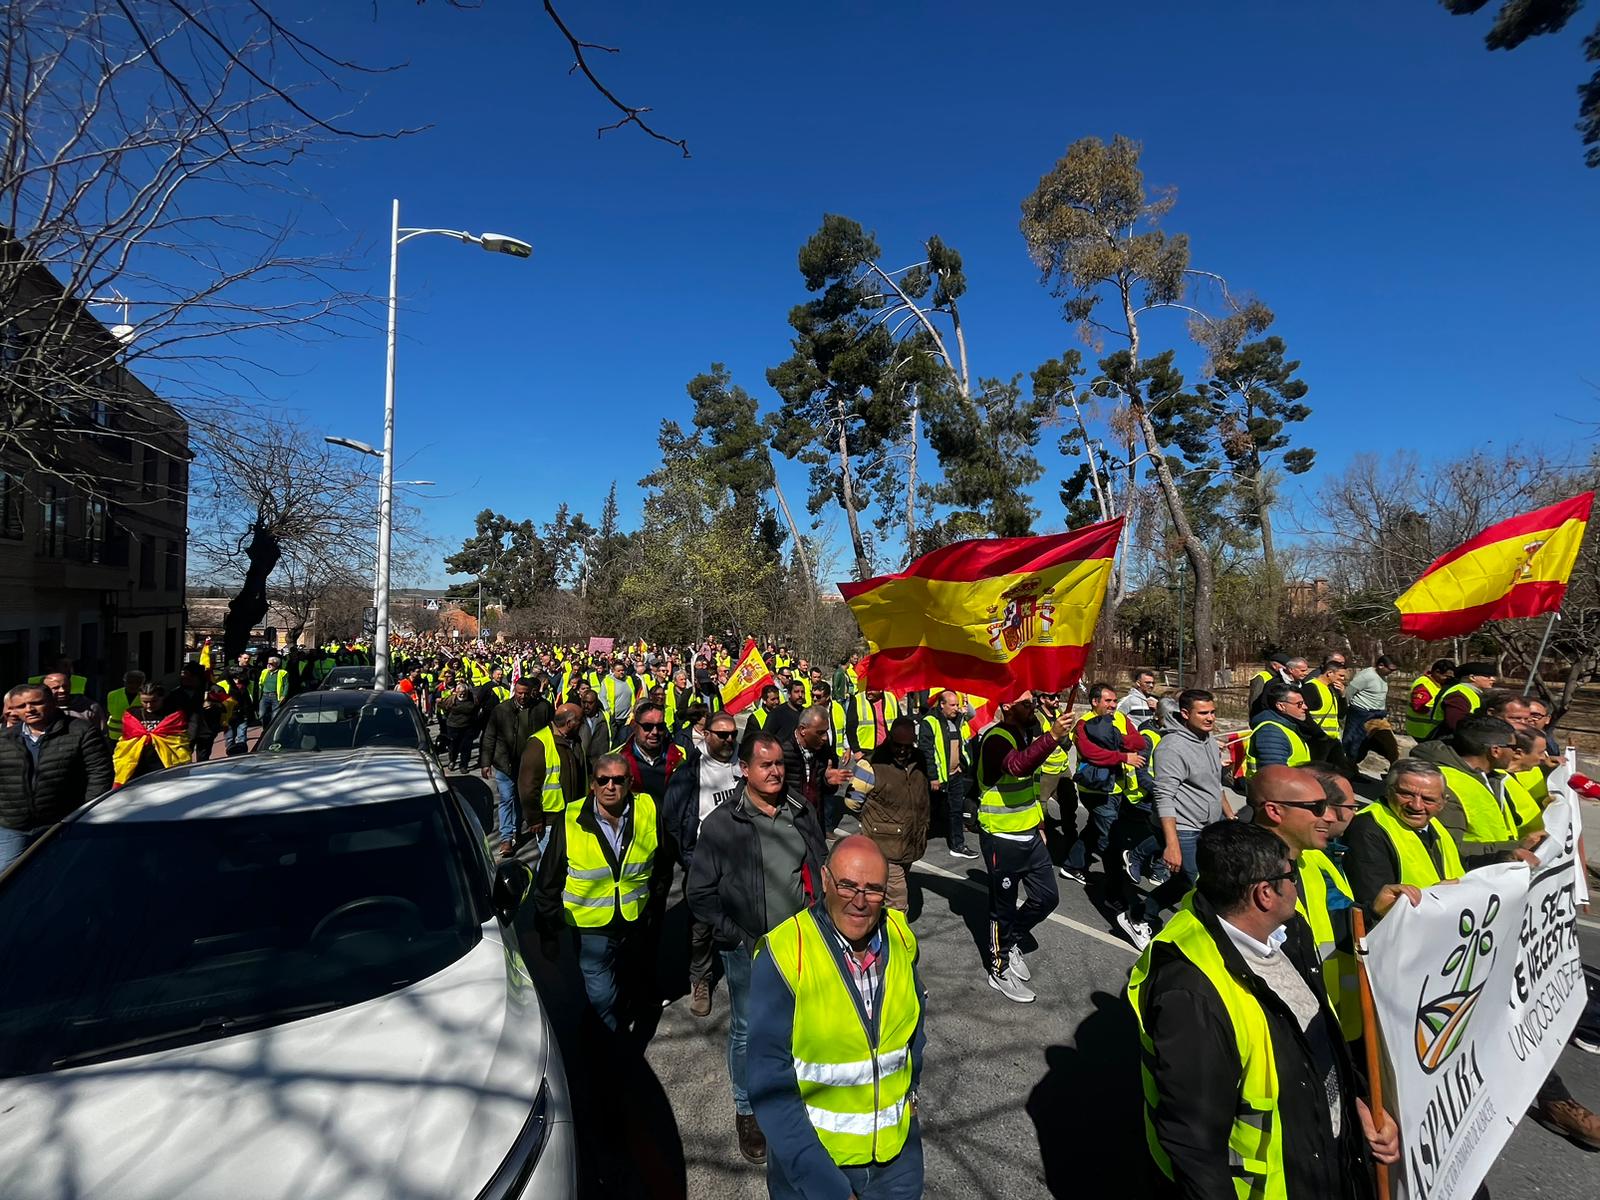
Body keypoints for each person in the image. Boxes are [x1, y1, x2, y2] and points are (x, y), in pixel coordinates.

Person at [1127, 821, 1399, 1200]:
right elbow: (1192, 1140)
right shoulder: (1193, 994)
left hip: (1325, 1156)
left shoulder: (1287, 934)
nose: (1297, 883)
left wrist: (1358, 1109)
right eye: (1291, 874)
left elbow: (1315, 1049)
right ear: (1266, 894)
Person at [748, 836, 926, 1200]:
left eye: (873, 890)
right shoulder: (785, 951)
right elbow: (769, 1081)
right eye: (848, 885)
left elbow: (914, 1033)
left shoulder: (900, 936)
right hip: (815, 1169)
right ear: (826, 880)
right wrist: (825, 1185)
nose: (860, 902)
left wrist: (909, 1101)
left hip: (897, 1163)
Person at [687, 732, 828, 1166]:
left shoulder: (801, 811)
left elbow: (820, 865)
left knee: (799, 1023)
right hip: (749, 947)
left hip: (802, 944)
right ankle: (748, 1110)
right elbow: (700, 893)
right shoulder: (722, 823)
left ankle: (794, 1095)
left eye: (780, 764)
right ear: (744, 770)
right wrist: (737, 935)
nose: (775, 771)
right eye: (764, 765)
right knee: (748, 1029)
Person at [533, 753, 672, 1036]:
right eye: (603, 780)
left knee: (626, 984)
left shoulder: (648, 809)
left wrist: (651, 907)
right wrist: (548, 929)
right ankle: (609, 1056)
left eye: (619, 780)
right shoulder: (570, 819)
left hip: (634, 921)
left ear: (630, 783)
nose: (611, 786)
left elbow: (663, 863)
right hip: (590, 929)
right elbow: (548, 880)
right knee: (602, 998)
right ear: (592, 785)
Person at [974, 692, 1073, 1003]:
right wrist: (1053, 736)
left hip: (1029, 834)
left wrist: (1041, 826)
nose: (1033, 708)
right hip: (1001, 838)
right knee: (1000, 909)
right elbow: (1016, 767)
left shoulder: (1026, 733)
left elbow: (1031, 787)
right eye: (1026, 704)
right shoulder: (996, 738)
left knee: (1047, 898)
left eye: (1033, 702)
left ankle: (1012, 939)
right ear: (1007, 706)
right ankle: (999, 967)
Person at [1117, 689, 1232, 952]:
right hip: (1183, 826)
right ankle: (1138, 916)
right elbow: (1164, 794)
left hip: (1207, 825)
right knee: (1191, 879)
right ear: (1185, 714)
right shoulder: (1172, 747)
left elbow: (1214, 785)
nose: (1210, 718)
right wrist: (1171, 843)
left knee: (1194, 879)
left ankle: (1158, 916)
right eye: (1203, 713)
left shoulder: (1208, 741)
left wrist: (1229, 814)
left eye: (1212, 712)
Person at [663, 709, 744, 1018]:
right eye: (721, 734)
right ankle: (701, 979)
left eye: (733, 734)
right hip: (703, 863)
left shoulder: (746, 764)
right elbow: (673, 819)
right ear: (706, 735)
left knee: (745, 920)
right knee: (702, 928)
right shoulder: (689, 772)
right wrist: (689, 858)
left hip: (742, 861)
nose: (728, 739)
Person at [0, 683, 114, 868]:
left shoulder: (80, 731)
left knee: (59, 875)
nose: (29, 709)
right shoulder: (5, 738)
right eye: (21, 706)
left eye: (36, 703)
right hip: (13, 825)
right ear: (13, 710)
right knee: (9, 881)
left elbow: (100, 773)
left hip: (61, 822)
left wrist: (84, 812)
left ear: (52, 703)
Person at [1411, 714, 1544, 868]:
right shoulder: (1444, 785)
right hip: (1464, 879)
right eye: (1513, 747)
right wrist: (1516, 846)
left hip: (1491, 869)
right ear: (1495, 751)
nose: (1515, 753)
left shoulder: (1492, 777)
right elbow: (1448, 847)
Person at [1342, 759, 1463, 923]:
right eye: (1406, 794)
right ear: (1388, 791)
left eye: (1428, 799)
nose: (1416, 805)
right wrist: (1435, 896)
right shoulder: (1367, 829)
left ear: (1443, 802)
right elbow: (1375, 901)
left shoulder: (1432, 824)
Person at [1061, 681, 1146, 886]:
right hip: (1094, 789)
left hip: (1117, 788)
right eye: (1108, 701)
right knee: (1111, 838)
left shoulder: (1120, 719)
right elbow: (1092, 754)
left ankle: (1072, 865)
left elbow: (1139, 742)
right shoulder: (1084, 724)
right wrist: (1123, 757)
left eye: (1115, 700)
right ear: (1094, 701)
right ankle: (1115, 889)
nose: (1113, 705)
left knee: (1093, 829)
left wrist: (1116, 739)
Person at [851, 717, 931, 913]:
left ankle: (875, 925)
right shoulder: (870, 764)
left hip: (911, 840)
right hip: (884, 844)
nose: (903, 751)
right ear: (889, 739)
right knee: (898, 902)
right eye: (898, 745)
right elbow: (852, 801)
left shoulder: (919, 759)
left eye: (908, 745)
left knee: (884, 891)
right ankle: (897, 940)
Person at [479, 678, 554, 856]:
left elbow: (552, 732)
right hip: (505, 764)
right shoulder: (501, 710)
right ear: (514, 691)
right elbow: (489, 736)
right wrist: (485, 761)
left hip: (530, 765)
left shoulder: (542, 708)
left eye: (526, 694)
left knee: (522, 799)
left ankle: (516, 830)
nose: (522, 696)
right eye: (519, 693)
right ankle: (506, 838)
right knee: (506, 798)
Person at [516, 702, 586, 856]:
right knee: (550, 866)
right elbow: (527, 787)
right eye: (580, 720)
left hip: (572, 815)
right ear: (569, 723)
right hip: (549, 821)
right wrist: (534, 819)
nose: (583, 724)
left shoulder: (573, 740)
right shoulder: (539, 744)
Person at [919, 689, 977, 859]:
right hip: (938, 778)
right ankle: (916, 839)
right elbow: (926, 752)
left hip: (955, 774)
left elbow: (971, 714)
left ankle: (958, 845)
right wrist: (933, 777)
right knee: (928, 810)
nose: (955, 708)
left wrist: (965, 702)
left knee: (956, 810)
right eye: (952, 705)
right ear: (941, 704)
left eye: (957, 705)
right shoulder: (930, 721)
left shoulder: (958, 720)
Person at [784, 705, 851, 832]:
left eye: (826, 731)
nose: (825, 737)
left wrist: (827, 781)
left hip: (815, 824)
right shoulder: (783, 753)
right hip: (790, 826)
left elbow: (823, 790)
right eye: (820, 733)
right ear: (803, 730)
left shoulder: (824, 751)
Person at [1245, 682, 1314, 774]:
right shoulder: (1271, 732)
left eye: (1304, 702)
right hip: (1279, 787)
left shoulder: (1287, 726)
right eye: (1299, 704)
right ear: (1281, 706)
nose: (1305, 707)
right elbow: (1274, 774)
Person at [1427, 661, 1495, 739]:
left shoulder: (1471, 692)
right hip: (1451, 743)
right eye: (1488, 676)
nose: (1493, 679)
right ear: (1472, 677)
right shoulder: (1458, 696)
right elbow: (1456, 724)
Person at [1403, 657, 1456, 743]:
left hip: (1429, 729)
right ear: (1437, 672)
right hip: (1423, 730)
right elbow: (1418, 707)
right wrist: (1442, 708)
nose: (1448, 679)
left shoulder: (1437, 683)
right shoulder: (1424, 685)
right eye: (1446, 676)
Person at [438, 680, 480, 771]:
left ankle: (464, 765)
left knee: (466, 747)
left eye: (464, 693)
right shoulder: (451, 699)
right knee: (453, 746)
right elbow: (441, 704)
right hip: (453, 727)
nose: (462, 695)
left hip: (468, 727)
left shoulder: (473, 699)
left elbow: (477, 709)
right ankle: (452, 760)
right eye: (460, 693)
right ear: (456, 692)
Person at [848, 688, 900, 757]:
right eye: (867, 689)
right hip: (866, 751)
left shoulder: (891, 698)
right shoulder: (858, 700)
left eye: (872, 689)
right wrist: (856, 751)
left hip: (888, 750)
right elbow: (850, 728)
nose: (869, 692)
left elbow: (900, 723)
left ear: (880, 690)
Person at [576, 687, 612, 769]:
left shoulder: (606, 718)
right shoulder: (577, 719)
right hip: (581, 765)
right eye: (583, 702)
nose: (586, 706)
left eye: (590, 703)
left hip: (601, 764)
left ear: (596, 703)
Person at [254, 655, 289, 729]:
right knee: (262, 715)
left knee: (275, 715)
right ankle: (265, 729)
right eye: (268, 663)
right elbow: (260, 683)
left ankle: (272, 731)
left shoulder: (282, 673)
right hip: (264, 696)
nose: (269, 665)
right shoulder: (264, 672)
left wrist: (284, 695)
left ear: (277, 664)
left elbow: (286, 684)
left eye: (271, 664)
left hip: (275, 696)